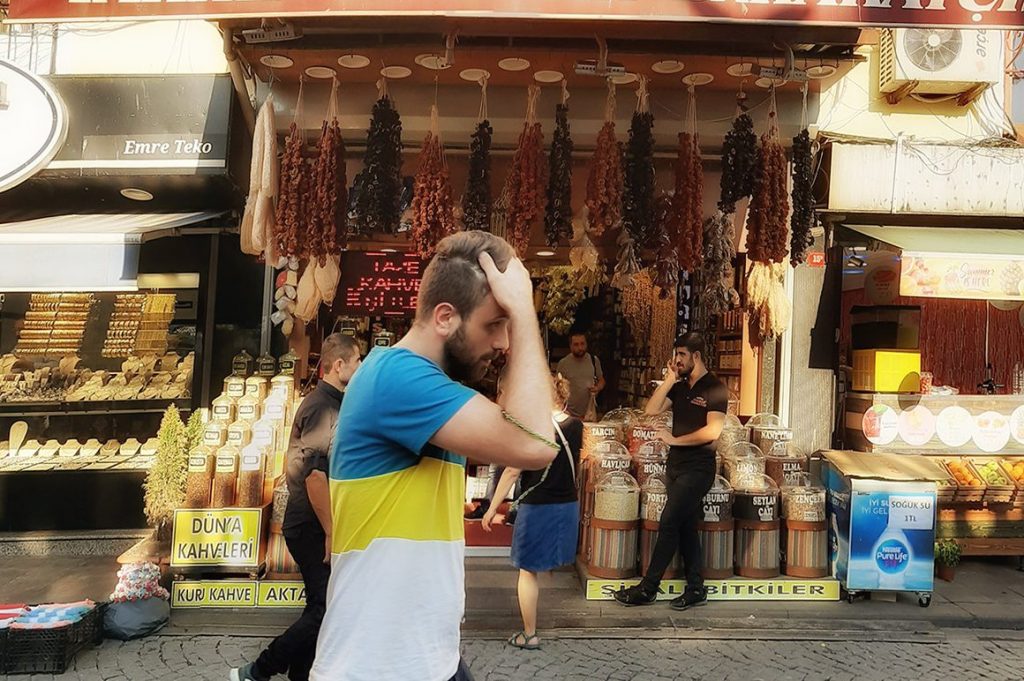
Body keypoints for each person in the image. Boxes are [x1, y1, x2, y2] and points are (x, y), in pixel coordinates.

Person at [309, 230, 558, 681]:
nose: (503, 342)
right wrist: (523, 312)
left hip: (423, 659)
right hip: (377, 666)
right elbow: (535, 444)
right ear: (445, 317)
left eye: (506, 324)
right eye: (494, 323)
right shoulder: (397, 377)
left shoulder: (422, 385)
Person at [231, 334, 362, 681]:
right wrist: (332, 532)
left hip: (312, 524)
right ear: (339, 366)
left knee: (321, 603)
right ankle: (259, 670)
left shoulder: (331, 403)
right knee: (326, 606)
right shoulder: (323, 408)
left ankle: (300, 674)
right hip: (310, 526)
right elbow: (315, 477)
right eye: (357, 361)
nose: (360, 367)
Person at [613, 332, 727, 611]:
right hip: (676, 467)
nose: (677, 360)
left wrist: (675, 440)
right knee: (686, 526)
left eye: (682, 355)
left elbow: (713, 431)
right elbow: (650, 411)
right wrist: (667, 381)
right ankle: (696, 588)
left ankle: (648, 588)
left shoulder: (715, 388)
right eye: (676, 355)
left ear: (696, 356)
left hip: (699, 468)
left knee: (669, 521)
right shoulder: (680, 386)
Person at [481, 373, 581, 650]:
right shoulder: (576, 426)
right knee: (542, 564)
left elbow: (513, 470)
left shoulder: (532, 428)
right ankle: (531, 623)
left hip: (538, 506)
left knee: (527, 571)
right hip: (567, 504)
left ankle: (529, 633)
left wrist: (491, 508)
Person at [556, 332, 605, 420]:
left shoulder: (594, 361)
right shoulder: (563, 364)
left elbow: (601, 380)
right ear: (570, 346)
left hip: (589, 413)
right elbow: (557, 388)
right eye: (576, 344)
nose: (580, 348)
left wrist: (597, 388)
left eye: (582, 344)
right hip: (569, 414)